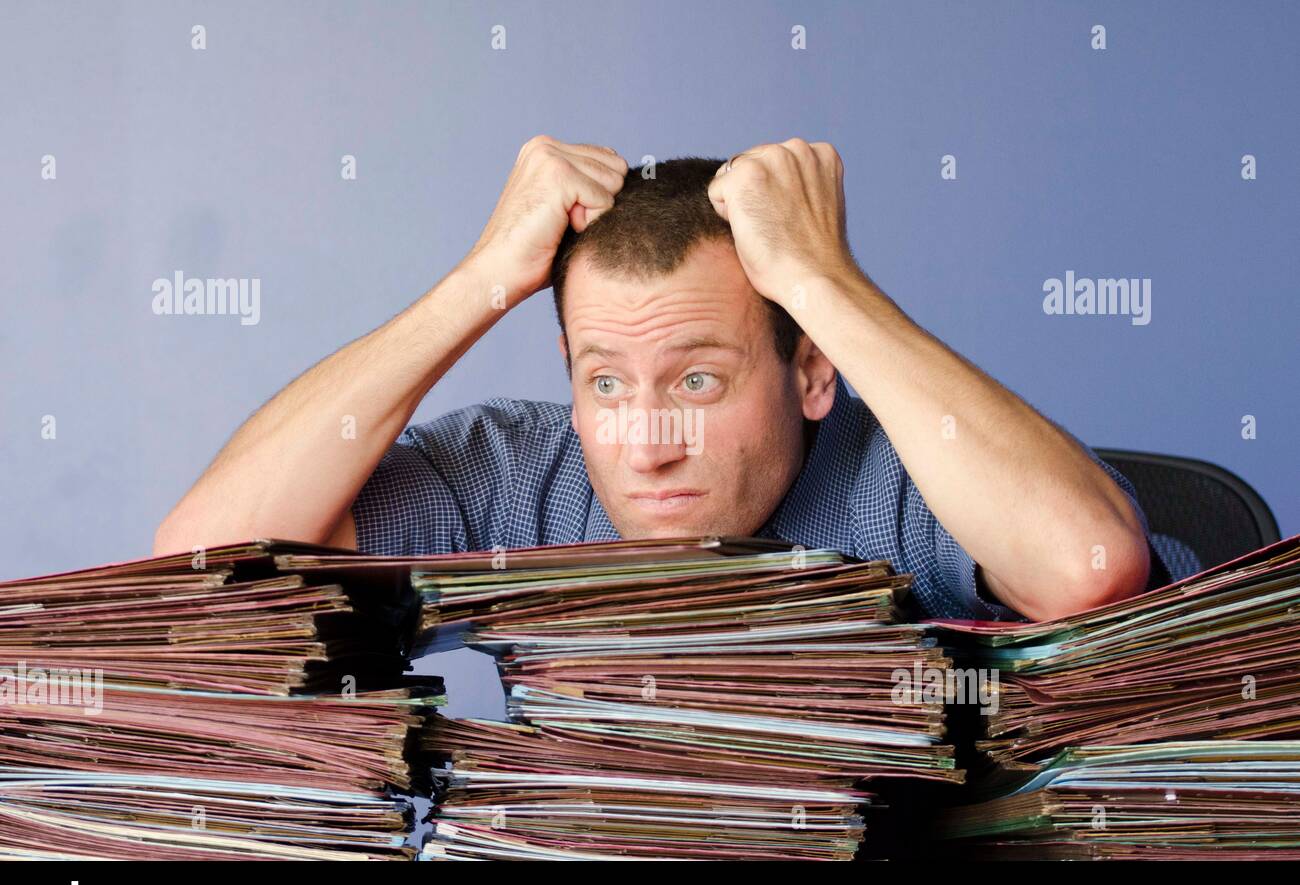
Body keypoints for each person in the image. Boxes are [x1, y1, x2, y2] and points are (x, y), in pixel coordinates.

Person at [155, 135, 1184, 621]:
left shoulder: (908, 475)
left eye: (697, 383)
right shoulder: (512, 476)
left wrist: (824, 282)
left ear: (810, 369)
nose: (645, 446)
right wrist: (475, 284)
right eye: (606, 385)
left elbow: (1089, 565)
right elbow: (203, 554)